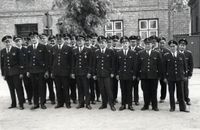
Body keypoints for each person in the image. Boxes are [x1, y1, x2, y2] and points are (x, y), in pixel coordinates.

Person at [163, 40, 189, 112]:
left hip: (180, 77)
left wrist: (185, 76)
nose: (172, 48)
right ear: (169, 47)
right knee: (171, 93)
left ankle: (183, 107)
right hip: (170, 77)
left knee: (181, 93)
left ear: (176, 46)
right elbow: (164, 68)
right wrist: (165, 77)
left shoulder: (181, 55)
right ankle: (172, 107)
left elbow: (185, 66)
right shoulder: (166, 56)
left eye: (174, 46)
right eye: (171, 46)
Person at [137, 37, 162, 111]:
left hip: (154, 76)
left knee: (154, 91)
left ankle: (155, 106)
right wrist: (138, 75)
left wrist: (160, 75)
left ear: (152, 45)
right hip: (144, 76)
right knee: (145, 91)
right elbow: (138, 65)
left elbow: (160, 65)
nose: (147, 45)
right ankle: (146, 105)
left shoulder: (157, 53)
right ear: (144, 45)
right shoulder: (140, 53)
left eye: (149, 44)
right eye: (146, 44)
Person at [1, 35, 24, 110]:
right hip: (8, 73)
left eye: (9, 42)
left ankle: (21, 104)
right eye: (6, 42)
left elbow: (21, 62)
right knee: (11, 89)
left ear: (11, 42)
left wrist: (21, 73)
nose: (7, 43)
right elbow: (2, 64)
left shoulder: (16, 50)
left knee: (18, 88)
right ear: (4, 43)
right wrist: (3, 74)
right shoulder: (2, 51)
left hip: (16, 73)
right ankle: (13, 103)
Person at [93, 35, 116, 111]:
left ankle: (111, 104)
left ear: (105, 43)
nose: (101, 44)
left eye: (103, 43)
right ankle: (104, 104)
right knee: (102, 90)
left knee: (109, 90)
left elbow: (113, 63)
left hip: (107, 74)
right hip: (99, 74)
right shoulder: (96, 52)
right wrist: (94, 74)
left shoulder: (110, 51)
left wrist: (112, 72)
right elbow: (94, 64)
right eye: (100, 43)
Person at [27, 32, 49, 110]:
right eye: (32, 38)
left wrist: (46, 71)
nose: (33, 39)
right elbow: (28, 60)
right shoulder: (29, 48)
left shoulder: (43, 47)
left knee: (42, 87)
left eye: (35, 38)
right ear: (30, 39)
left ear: (38, 38)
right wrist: (28, 71)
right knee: (34, 87)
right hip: (32, 71)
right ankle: (35, 103)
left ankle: (42, 103)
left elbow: (46, 60)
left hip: (41, 71)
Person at [51, 34, 72, 109]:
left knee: (66, 88)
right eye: (58, 39)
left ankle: (67, 103)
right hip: (56, 72)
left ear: (63, 39)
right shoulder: (53, 48)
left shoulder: (68, 48)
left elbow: (71, 61)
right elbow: (52, 61)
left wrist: (70, 72)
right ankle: (60, 103)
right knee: (58, 88)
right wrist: (52, 72)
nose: (59, 40)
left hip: (65, 72)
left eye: (60, 39)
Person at [116, 36, 137, 111]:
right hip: (122, 75)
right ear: (121, 44)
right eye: (123, 43)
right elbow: (117, 65)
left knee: (129, 90)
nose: (125, 45)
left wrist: (134, 74)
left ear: (129, 44)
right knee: (123, 90)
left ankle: (130, 105)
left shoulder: (133, 53)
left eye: (126, 43)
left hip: (129, 75)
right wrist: (117, 74)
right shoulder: (119, 53)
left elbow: (135, 65)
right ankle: (123, 104)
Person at [71, 35, 92, 110]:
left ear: (84, 42)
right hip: (77, 72)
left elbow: (90, 63)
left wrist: (89, 72)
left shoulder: (88, 50)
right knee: (79, 88)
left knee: (86, 88)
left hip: (85, 73)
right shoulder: (74, 50)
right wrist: (73, 72)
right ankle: (81, 103)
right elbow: (73, 63)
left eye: (81, 41)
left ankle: (88, 103)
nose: (79, 42)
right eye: (78, 41)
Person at [14, 36, 33, 105]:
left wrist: (28, 70)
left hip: (25, 70)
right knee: (19, 86)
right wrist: (19, 71)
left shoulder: (26, 49)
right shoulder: (14, 50)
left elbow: (28, 61)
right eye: (16, 41)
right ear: (15, 42)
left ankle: (30, 98)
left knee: (27, 85)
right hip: (17, 71)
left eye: (19, 41)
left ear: (21, 41)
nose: (18, 43)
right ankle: (21, 100)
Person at [153, 36, 170, 103]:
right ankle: (153, 98)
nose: (162, 44)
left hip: (164, 72)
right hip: (156, 71)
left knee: (163, 85)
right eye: (160, 43)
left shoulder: (167, 51)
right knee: (154, 85)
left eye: (163, 43)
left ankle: (162, 98)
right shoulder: (155, 50)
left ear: (165, 43)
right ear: (158, 43)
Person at [40, 34, 56, 105]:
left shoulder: (51, 47)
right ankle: (43, 100)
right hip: (41, 70)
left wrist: (51, 70)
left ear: (47, 39)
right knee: (42, 86)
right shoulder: (39, 47)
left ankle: (52, 98)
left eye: (44, 38)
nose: (43, 39)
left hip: (49, 70)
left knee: (50, 85)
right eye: (42, 38)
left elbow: (52, 60)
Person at [129, 35, 143, 105]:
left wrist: (138, 74)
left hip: (136, 72)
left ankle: (136, 100)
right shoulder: (127, 49)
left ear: (136, 42)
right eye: (131, 42)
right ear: (129, 42)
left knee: (136, 87)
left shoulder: (140, 50)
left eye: (134, 42)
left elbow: (140, 63)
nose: (133, 43)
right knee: (129, 87)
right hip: (128, 72)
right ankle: (129, 99)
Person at [178, 39, 193, 105]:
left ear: (185, 46)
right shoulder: (176, 53)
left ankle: (187, 99)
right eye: (181, 45)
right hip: (178, 73)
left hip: (185, 74)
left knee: (185, 87)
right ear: (179, 46)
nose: (182, 47)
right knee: (178, 87)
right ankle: (179, 99)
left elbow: (191, 64)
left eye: (183, 45)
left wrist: (190, 74)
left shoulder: (188, 53)